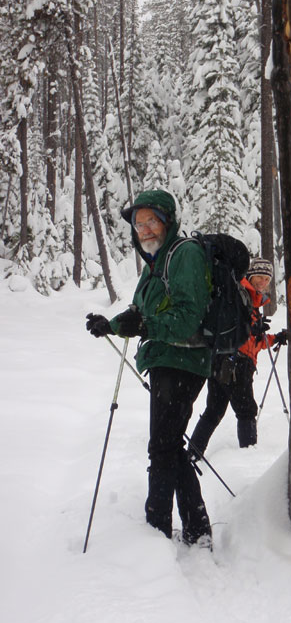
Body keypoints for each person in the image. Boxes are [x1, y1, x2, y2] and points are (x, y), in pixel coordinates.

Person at [85, 189, 213, 548]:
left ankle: (156, 532)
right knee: (168, 446)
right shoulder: (155, 265)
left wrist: (145, 327)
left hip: (184, 362)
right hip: (166, 361)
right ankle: (196, 529)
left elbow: (189, 316)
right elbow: (142, 315)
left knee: (162, 448)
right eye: (139, 224)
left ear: (167, 221)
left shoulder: (184, 254)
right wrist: (110, 325)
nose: (144, 229)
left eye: (151, 221)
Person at [188, 257, 286, 458]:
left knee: (214, 411)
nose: (263, 282)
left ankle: (192, 455)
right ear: (250, 275)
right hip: (235, 362)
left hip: (221, 360)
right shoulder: (241, 295)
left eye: (267, 279)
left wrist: (274, 338)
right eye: (259, 276)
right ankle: (247, 457)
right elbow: (235, 330)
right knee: (246, 410)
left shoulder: (248, 299)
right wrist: (250, 327)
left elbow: (252, 341)